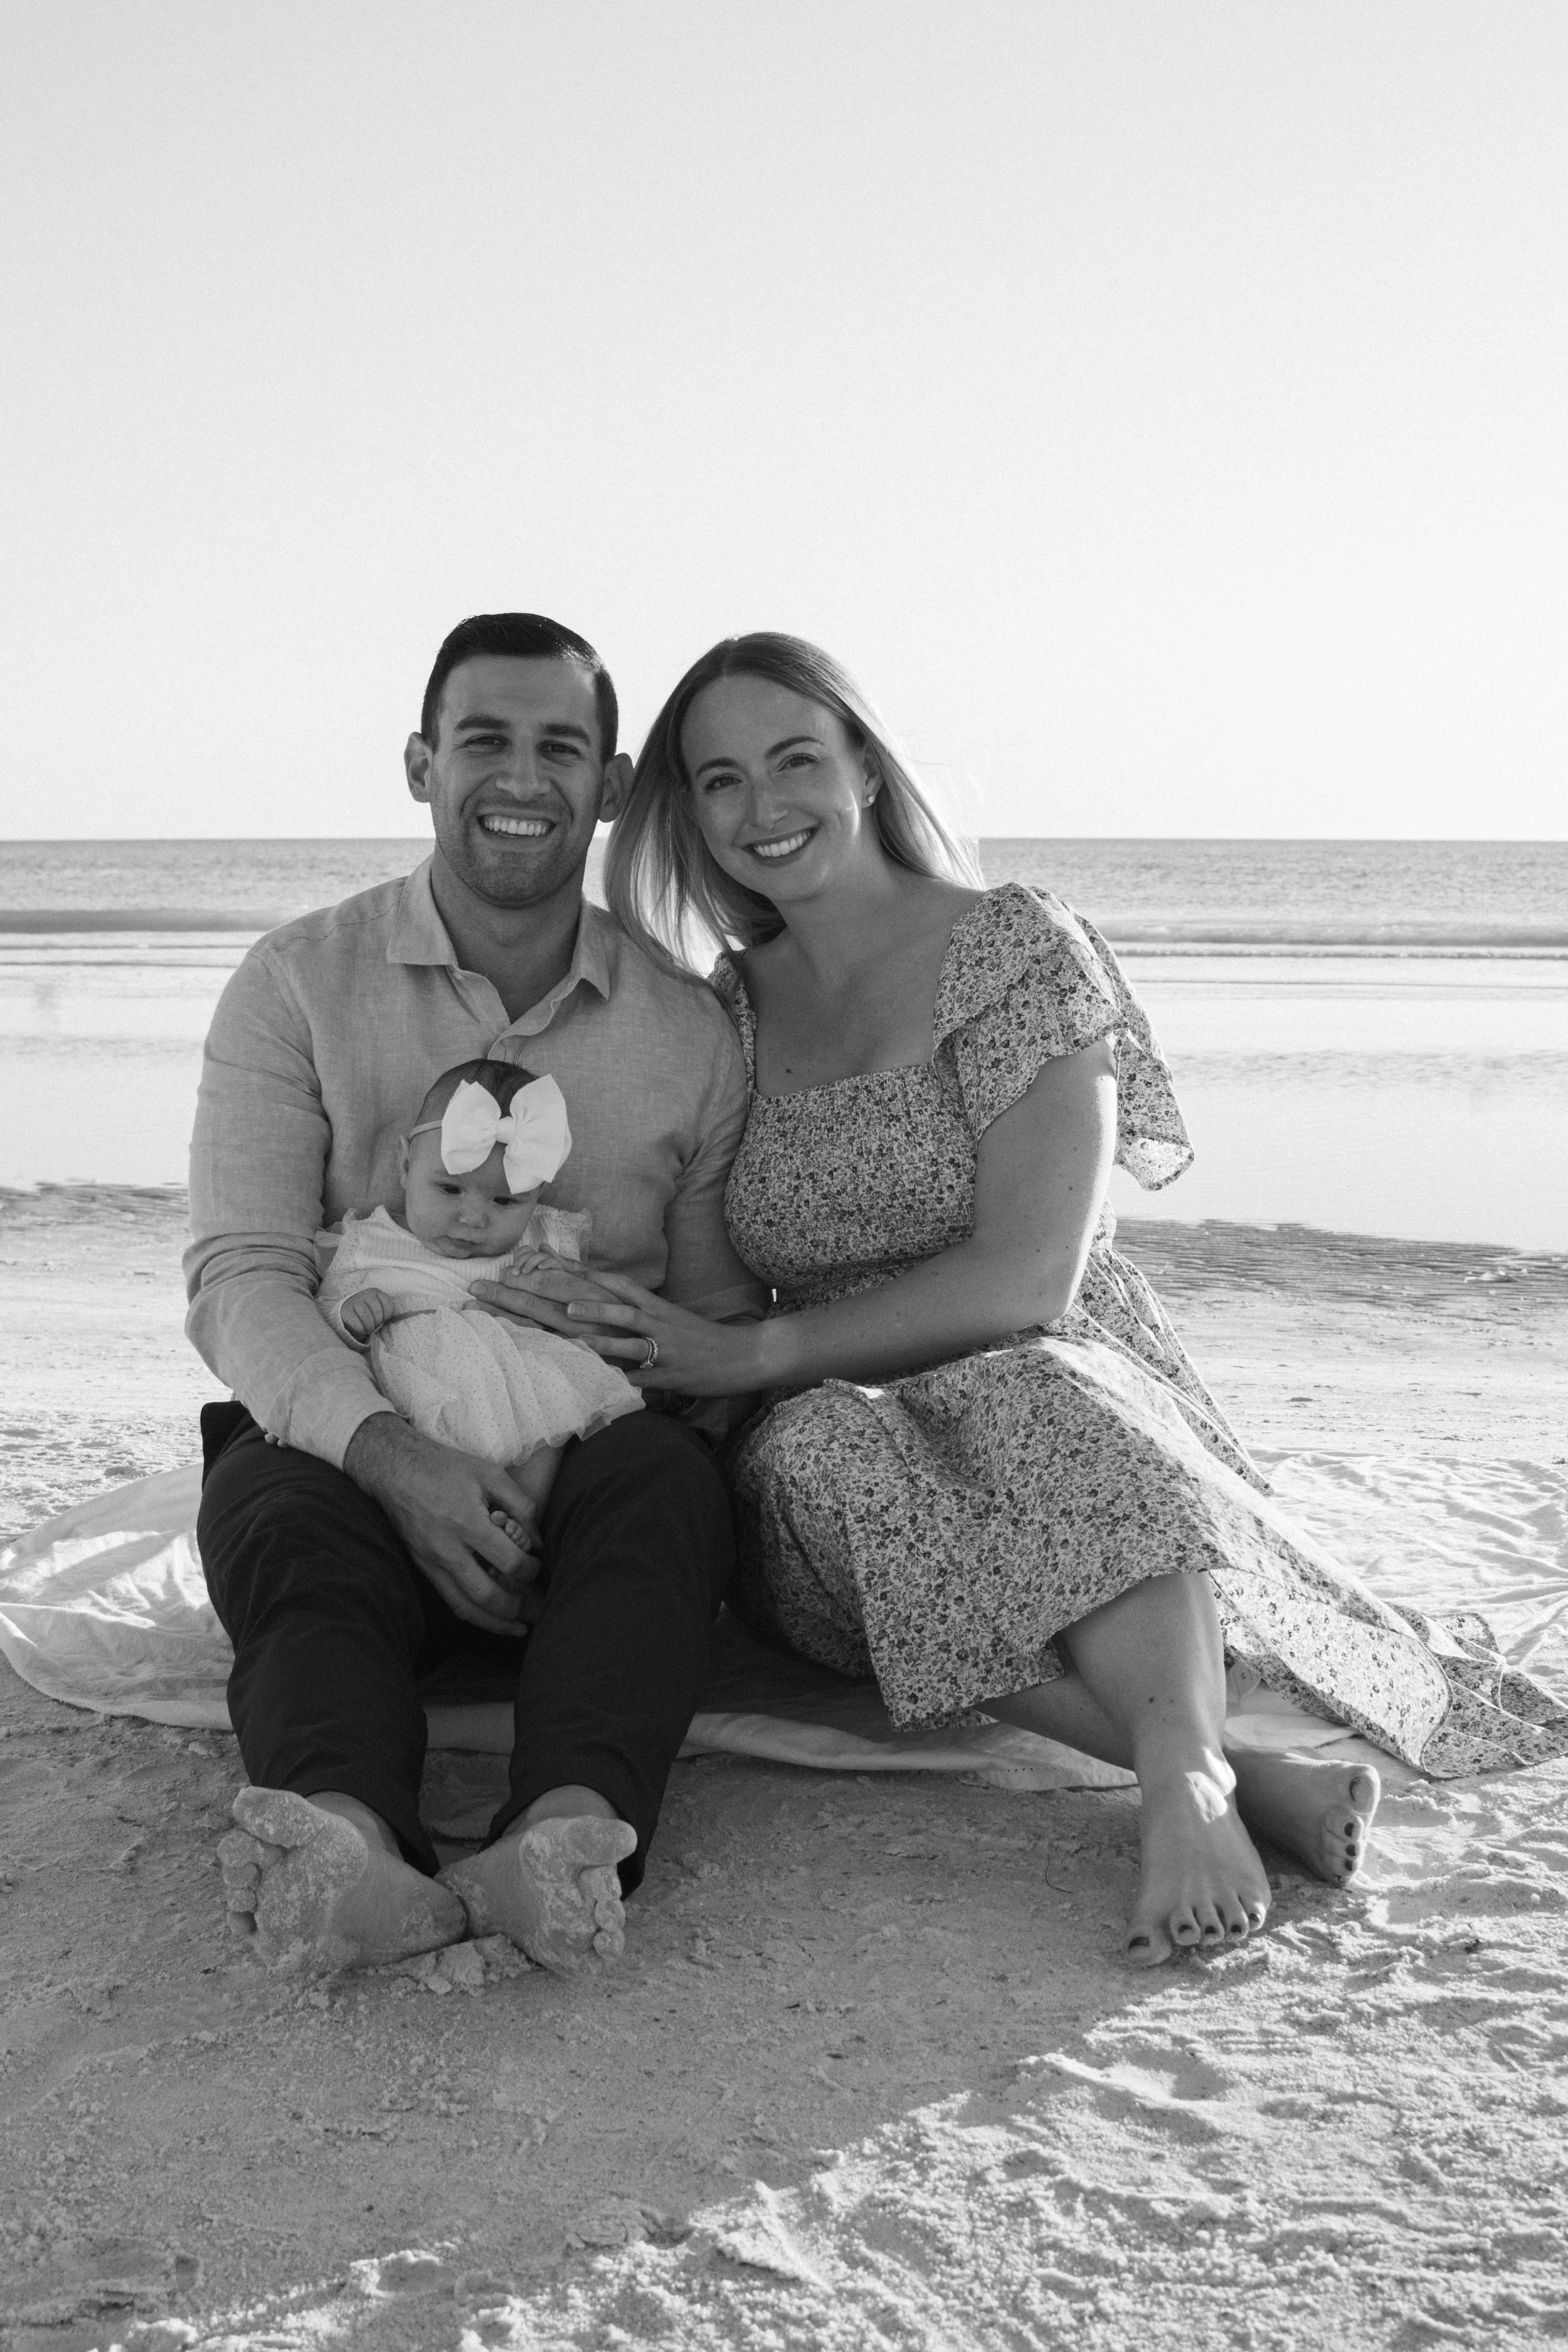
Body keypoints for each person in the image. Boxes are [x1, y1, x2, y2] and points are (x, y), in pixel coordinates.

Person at [522, 630, 1568, 1969]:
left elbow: (1032, 1276)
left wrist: (753, 1347)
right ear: (689, 812)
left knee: (1035, 1390)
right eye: (719, 780)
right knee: (822, 1457)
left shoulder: (1011, 946)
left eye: (794, 759)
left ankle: (1183, 1778)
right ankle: (1232, 1763)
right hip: (833, 1424)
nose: (761, 807)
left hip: (1040, 1362)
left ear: (865, 766)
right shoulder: (724, 1009)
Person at [188, 612, 763, 1978]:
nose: (521, 777)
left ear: (612, 787)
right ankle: (346, 1846)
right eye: (482, 741)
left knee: (673, 1491)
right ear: (418, 764)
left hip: (581, 1487)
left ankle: (557, 1837)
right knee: (276, 1507)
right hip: (356, 1454)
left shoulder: (687, 1030)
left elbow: (715, 1328)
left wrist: (572, 1448)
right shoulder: (294, 984)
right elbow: (241, 1275)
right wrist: (397, 1460)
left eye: (560, 746)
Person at [316, 1054, 643, 1552]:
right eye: (449, 1189)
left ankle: (521, 1515)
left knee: (550, 1424)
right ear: (405, 1164)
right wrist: (351, 1313)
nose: (472, 1219)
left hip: (512, 1380)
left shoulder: (538, 1241)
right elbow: (325, 1304)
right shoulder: (370, 1239)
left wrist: (551, 1279)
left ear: (537, 1196)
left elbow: (581, 1305)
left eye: (505, 1202)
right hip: (411, 1388)